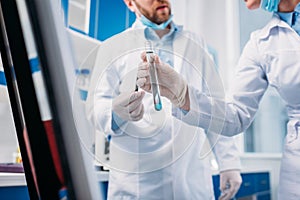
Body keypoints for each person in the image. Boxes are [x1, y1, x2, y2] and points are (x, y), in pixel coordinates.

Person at [140, 0, 299, 199]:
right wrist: (181, 94)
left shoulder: (195, 43)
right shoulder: (261, 43)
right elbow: (235, 116)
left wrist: (228, 162)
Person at [87, 0, 243, 199]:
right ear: (130, 3)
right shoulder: (112, 47)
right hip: (137, 184)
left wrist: (228, 162)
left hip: (190, 179)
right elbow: (95, 107)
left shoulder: (196, 44)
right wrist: (115, 113)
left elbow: (214, 106)